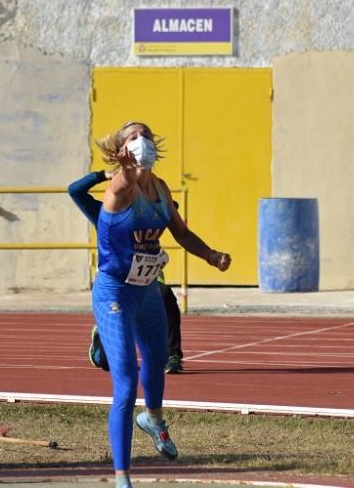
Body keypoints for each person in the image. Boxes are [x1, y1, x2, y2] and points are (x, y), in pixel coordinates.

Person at [90, 120, 230, 488]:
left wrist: (211, 256)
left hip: (147, 289)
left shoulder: (162, 190)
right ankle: (123, 477)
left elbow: (180, 233)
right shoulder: (121, 188)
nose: (142, 141)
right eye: (133, 137)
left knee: (155, 363)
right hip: (115, 293)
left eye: (146, 134)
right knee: (126, 381)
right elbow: (125, 180)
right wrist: (123, 166)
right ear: (122, 148)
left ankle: (153, 419)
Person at [67, 171, 184, 374]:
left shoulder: (151, 210)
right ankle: (101, 338)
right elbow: (75, 191)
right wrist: (103, 174)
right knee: (110, 363)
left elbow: (172, 210)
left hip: (147, 279)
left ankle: (172, 355)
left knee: (164, 294)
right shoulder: (104, 213)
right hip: (117, 284)